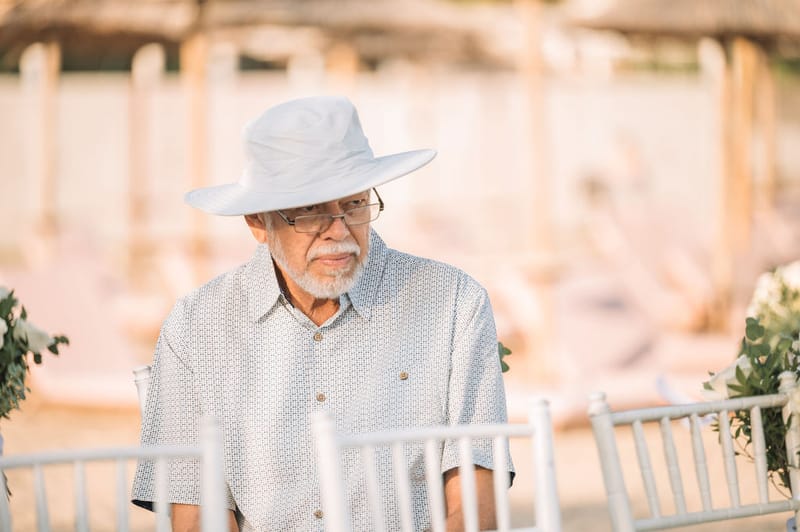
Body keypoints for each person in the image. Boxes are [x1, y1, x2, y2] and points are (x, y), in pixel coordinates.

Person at [132, 95, 512, 531]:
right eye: (311, 210)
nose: (339, 231)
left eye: (354, 204)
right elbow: (198, 514)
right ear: (258, 222)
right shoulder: (197, 325)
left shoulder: (453, 302)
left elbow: (475, 507)